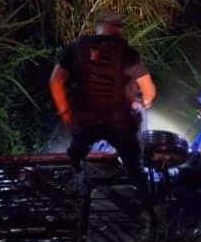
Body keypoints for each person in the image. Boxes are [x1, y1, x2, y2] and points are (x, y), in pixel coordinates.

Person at [49, 11, 156, 193]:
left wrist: (65, 111)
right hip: (120, 124)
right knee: (134, 167)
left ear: (98, 27)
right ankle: (147, 204)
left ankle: (74, 187)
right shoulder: (128, 53)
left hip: (86, 121)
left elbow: (56, 80)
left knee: (75, 155)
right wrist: (143, 102)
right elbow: (149, 91)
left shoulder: (77, 48)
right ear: (118, 30)